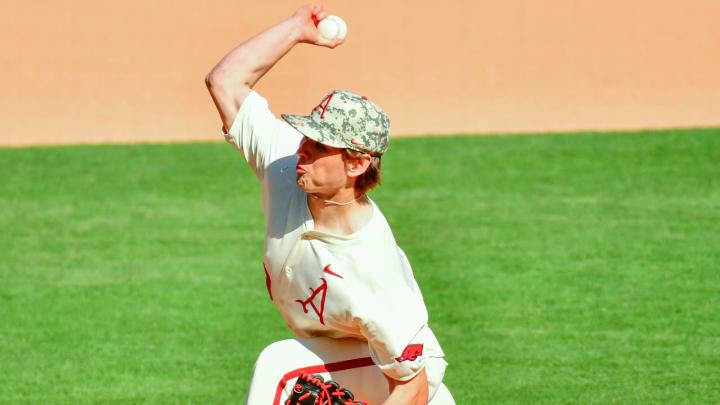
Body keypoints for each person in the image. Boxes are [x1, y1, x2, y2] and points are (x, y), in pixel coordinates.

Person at [205, 5, 455, 405]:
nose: (302, 149)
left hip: (404, 380)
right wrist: (295, 30)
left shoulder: (373, 268)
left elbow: (414, 384)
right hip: (349, 361)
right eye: (306, 136)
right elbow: (226, 81)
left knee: (281, 366)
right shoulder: (286, 166)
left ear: (356, 164)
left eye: (320, 145)